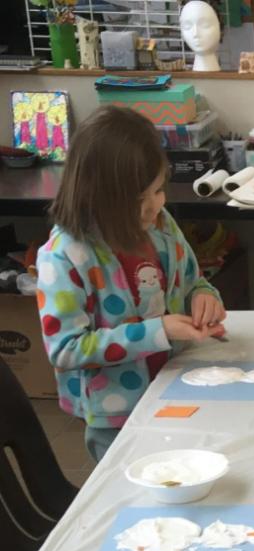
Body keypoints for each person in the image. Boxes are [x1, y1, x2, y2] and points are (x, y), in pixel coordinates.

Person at [36, 105, 226, 461]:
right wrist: (158, 331)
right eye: (138, 201)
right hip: (116, 417)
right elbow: (65, 349)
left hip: (177, 389)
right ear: (96, 196)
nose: (154, 206)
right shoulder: (63, 257)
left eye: (157, 190)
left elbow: (192, 282)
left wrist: (204, 297)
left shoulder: (160, 224)